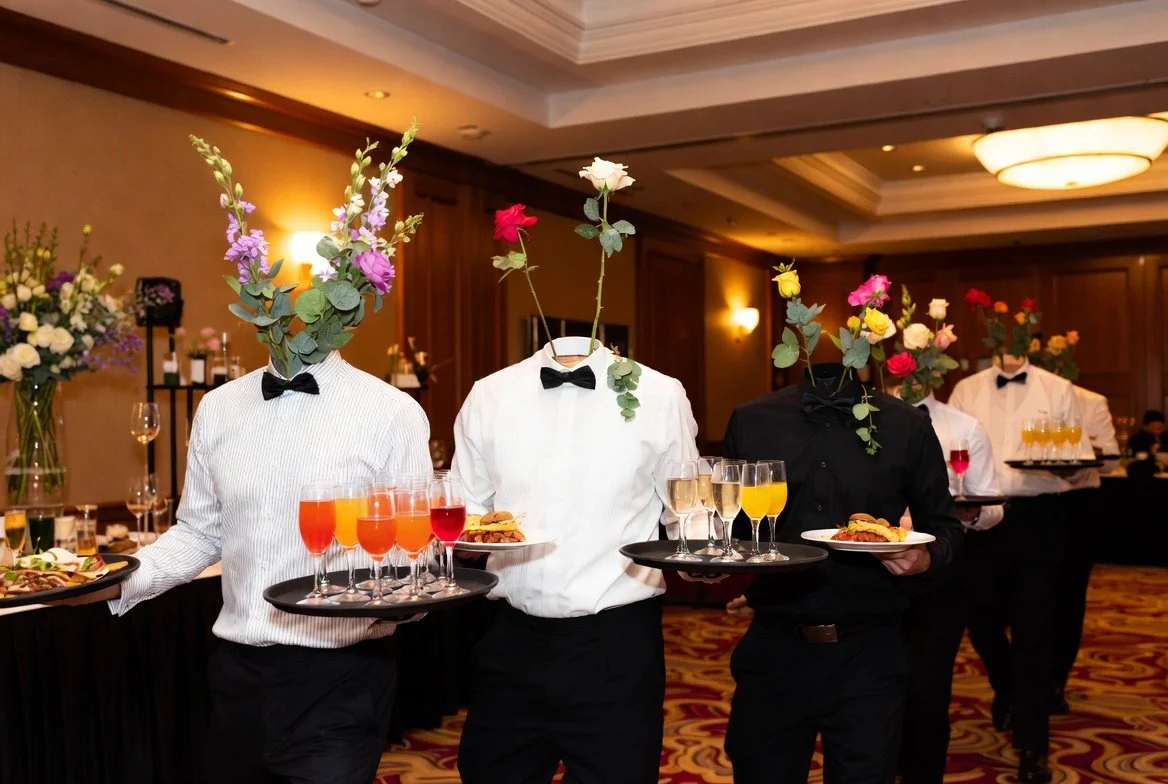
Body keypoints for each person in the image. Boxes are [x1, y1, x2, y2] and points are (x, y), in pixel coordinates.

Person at [451, 335, 699, 784]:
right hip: (510, 642)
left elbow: (689, 512)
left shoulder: (661, 394)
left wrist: (704, 558)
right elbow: (466, 510)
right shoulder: (489, 394)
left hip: (616, 648)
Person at [721, 362, 963, 784]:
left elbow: (946, 529)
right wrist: (713, 560)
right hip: (774, 650)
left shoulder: (906, 425)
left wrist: (922, 559)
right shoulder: (752, 420)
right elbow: (735, 529)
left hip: (869, 652)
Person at [949, 353, 1094, 783]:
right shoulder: (966, 388)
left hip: (1039, 519)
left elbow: (1078, 460)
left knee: (1034, 633)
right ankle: (1007, 686)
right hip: (979, 521)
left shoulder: (1058, 388)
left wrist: (1064, 464)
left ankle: (1033, 745)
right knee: (981, 622)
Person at [896, 390, 1004, 784]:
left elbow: (992, 508)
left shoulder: (964, 426)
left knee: (927, 689)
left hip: (940, 578)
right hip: (872, 574)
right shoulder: (862, 418)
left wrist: (972, 514)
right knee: (876, 686)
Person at [1050, 385, 1120, 713]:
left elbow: (1110, 460)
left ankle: (1055, 682)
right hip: (1031, 504)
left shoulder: (1093, 401)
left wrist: (1081, 458)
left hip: (1080, 506)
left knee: (1069, 598)